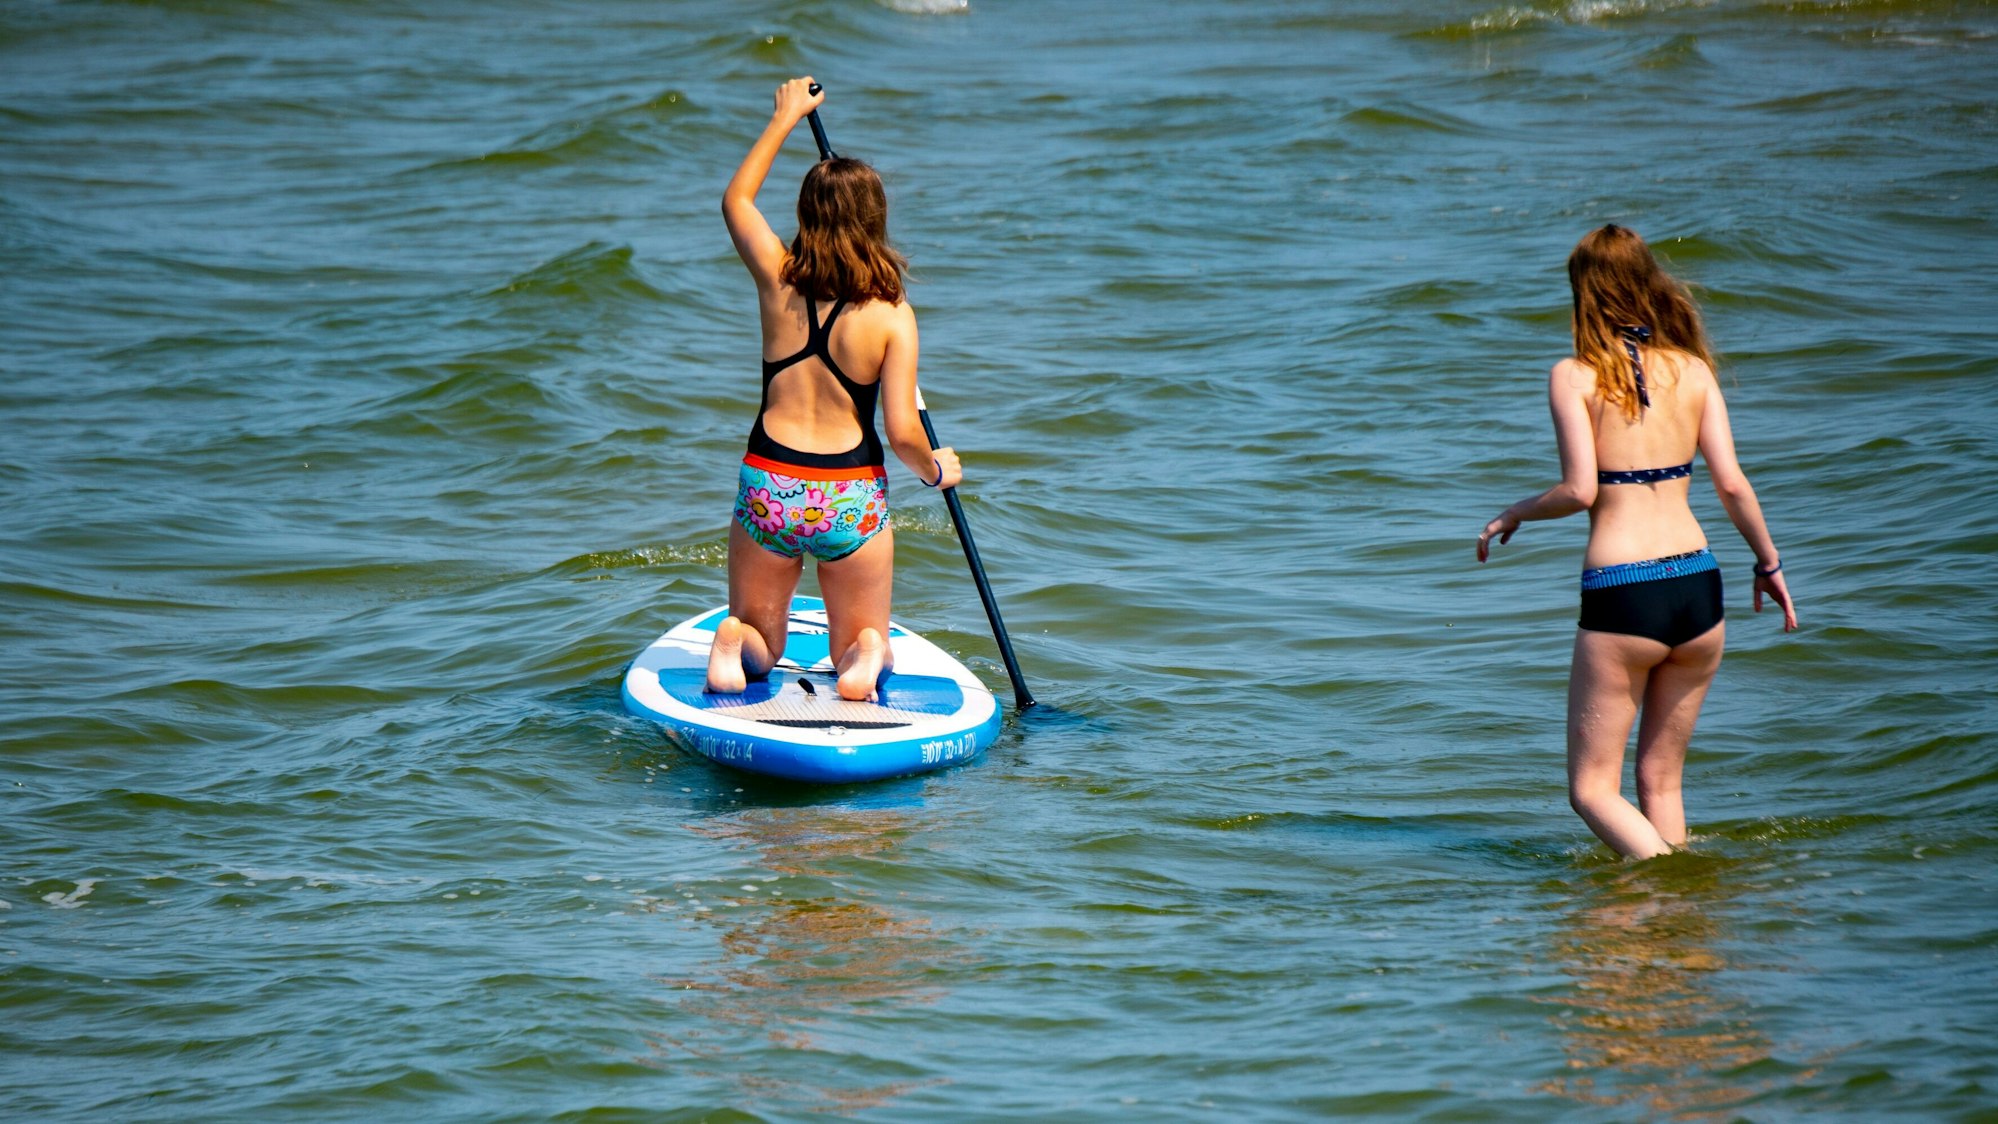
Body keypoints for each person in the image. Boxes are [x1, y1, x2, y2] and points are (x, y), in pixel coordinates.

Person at [1477, 224, 1797, 860]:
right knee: (1660, 781)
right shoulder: (1693, 370)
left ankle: (1660, 885)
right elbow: (1732, 485)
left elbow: (1579, 491)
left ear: (1584, 293)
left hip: (1626, 590)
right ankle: (1676, 926)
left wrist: (1513, 511)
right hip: (1700, 586)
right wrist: (1769, 562)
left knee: (1592, 790)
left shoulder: (1575, 376)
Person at [706, 77, 961, 702]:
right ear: (875, 220)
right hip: (848, 492)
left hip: (769, 480)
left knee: (765, 649)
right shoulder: (892, 313)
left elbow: (736, 201)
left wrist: (787, 116)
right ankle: (865, 652)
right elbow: (902, 432)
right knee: (859, 637)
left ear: (805, 214)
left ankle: (736, 638)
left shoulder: (777, 278)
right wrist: (936, 471)